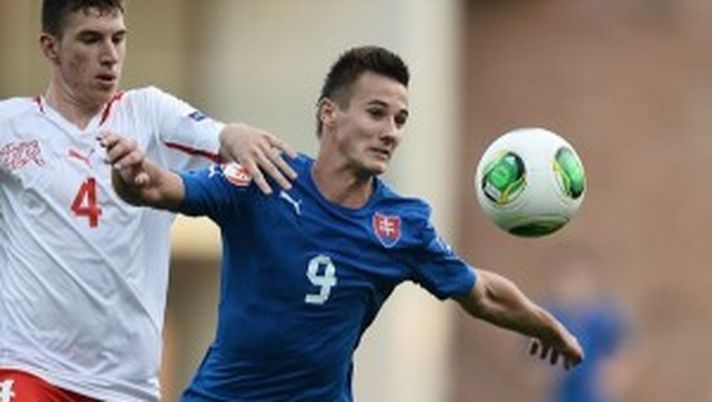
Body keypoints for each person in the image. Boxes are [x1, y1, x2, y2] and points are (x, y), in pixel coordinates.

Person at [105, 45, 584, 401]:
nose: (390, 132)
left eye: (400, 119)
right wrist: (130, 171)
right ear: (328, 114)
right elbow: (155, 188)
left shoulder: (402, 225)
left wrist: (546, 326)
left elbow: (480, 292)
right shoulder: (262, 178)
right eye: (377, 113)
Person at [0, 1, 297, 401]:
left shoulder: (150, 113)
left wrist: (237, 134)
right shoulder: (10, 125)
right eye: (91, 39)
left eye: (118, 38)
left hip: (124, 386)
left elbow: (220, 136)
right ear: (50, 46)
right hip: (30, 369)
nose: (110, 54)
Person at [542, 250, 633, 402]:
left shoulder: (606, 315)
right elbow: (526, 363)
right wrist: (545, 373)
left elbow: (629, 349)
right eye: (567, 278)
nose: (574, 286)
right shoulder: (546, 316)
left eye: (579, 277)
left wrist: (616, 375)